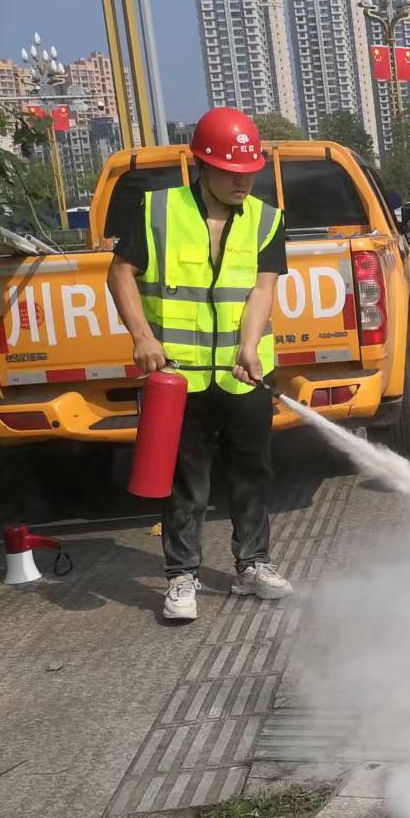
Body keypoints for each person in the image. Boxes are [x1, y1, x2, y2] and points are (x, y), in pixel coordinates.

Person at [107, 107, 294, 622]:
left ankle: (252, 565)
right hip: (178, 377)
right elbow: (120, 273)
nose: (242, 182)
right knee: (186, 481)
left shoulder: (267, 219)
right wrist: (142, 337)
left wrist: (249, 345)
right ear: (202, 165)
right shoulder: (158, 210)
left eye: (249, 172)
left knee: (252, 474)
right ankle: (181, 576)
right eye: (230, 172)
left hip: (244, 374)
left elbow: (262, 289)